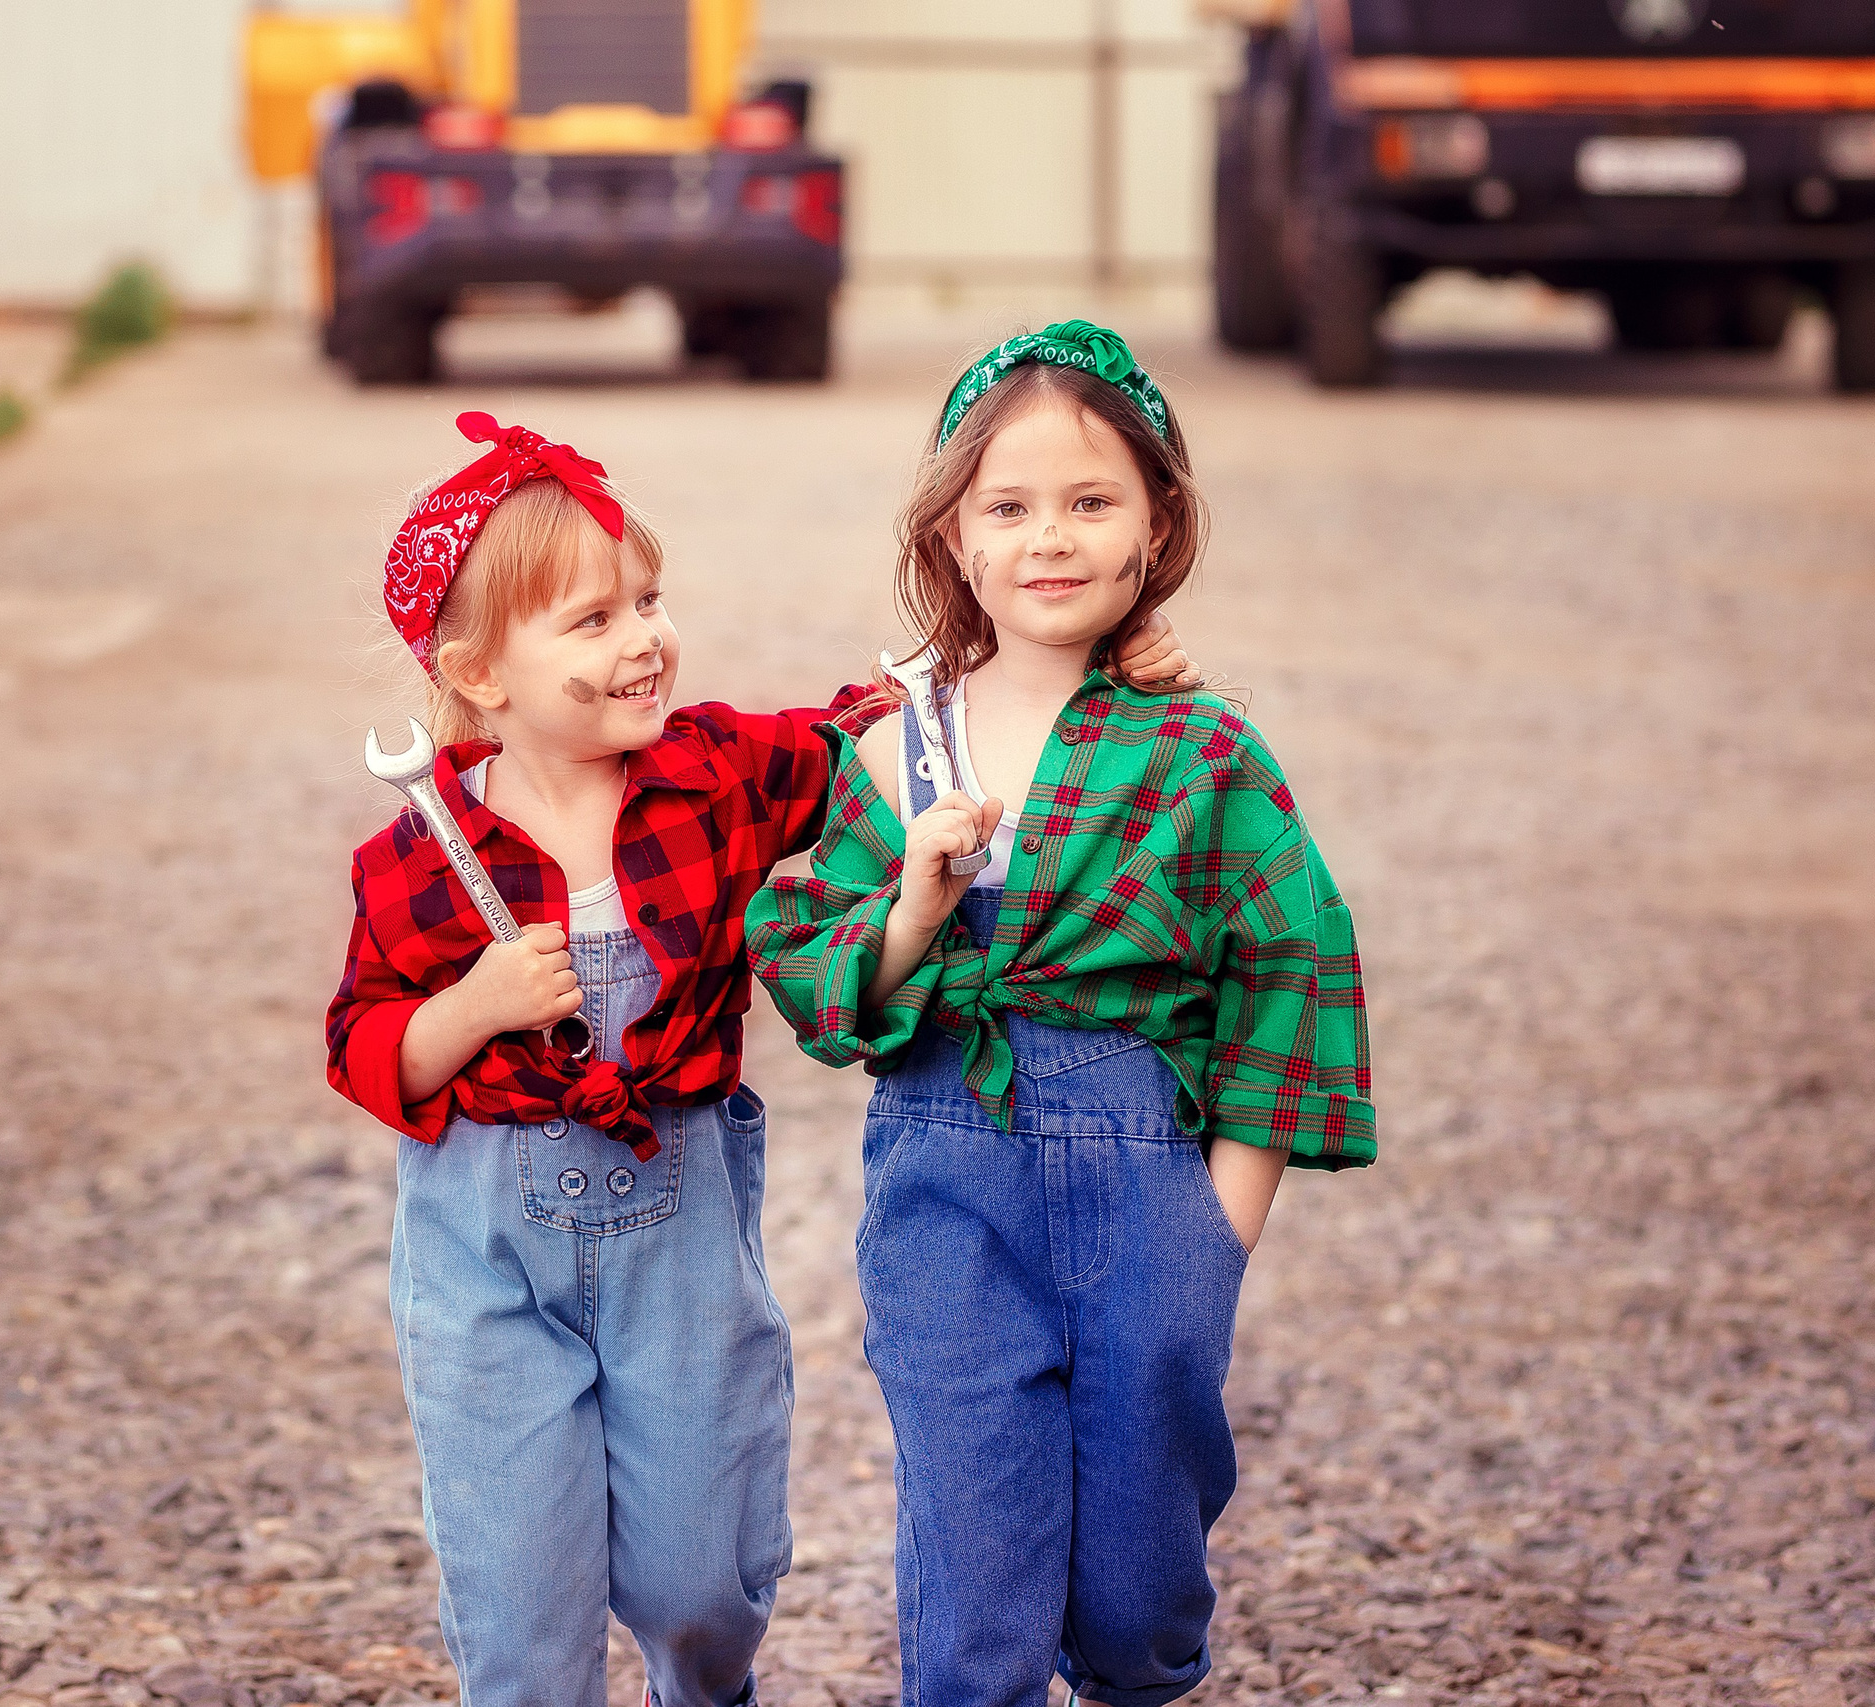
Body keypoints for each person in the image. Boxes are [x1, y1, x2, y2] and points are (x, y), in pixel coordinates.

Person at [324, 411, 1197, 1707]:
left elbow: (875, 728)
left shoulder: (715, 778)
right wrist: (471, 1008)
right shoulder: (418, 856)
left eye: (647, 601)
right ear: (480, 674)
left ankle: (708, 1685)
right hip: (484, 1253)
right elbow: (362, 1048)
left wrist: (1081, 652)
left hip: (677, 1238)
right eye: (592, 621)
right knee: (521, 1605)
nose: (643, 639)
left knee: (702, 1579)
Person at [748, 323, 1376, 1707]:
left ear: (1158, 526)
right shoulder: (895, 746)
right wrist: (915, 910)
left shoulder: (1203, 753)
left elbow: (1289, 968)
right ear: (954, 538)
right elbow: (810, 973)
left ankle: (1138, 1674)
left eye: (1092, 501)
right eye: (1009, 507)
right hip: (946, 1176)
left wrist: (1219, 1231)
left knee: (1140, 1576)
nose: (1049, 537)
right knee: (975, 1542)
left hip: (1149, 1176)